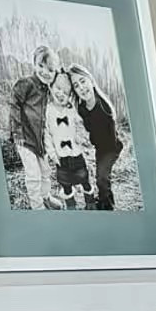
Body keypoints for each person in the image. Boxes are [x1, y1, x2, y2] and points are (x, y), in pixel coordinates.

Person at [7, 44, 59, 210]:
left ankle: (46, 197)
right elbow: (14, 104)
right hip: (24, 137)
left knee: (45, 171)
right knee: (33, 174)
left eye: (50, 70)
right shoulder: (26, 83)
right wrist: (16, 133)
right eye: (40, 66)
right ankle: (37, 207)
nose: (45, 72)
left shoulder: (48, 90)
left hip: (39, 140)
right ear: (34, 65)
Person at [69, 63, 122, 211]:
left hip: (111, 148)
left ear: (91, 80)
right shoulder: (82, 108)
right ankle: (103, 200)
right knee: (100, 178)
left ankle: (109, 206)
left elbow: (110, 140)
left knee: (102, 177)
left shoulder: (104, 108)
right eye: (76, 86)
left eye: (83, 81)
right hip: (100, 148)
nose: (81, 87)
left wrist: (105, 159)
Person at [44, 68, 94, 208]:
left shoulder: (72, 109)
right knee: (65, 182)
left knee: (84, 178)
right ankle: (71, 206)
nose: (61, 93)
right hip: (60, 157)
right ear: (51, 87)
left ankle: (90, 203)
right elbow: (46, 135)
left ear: (70, 95)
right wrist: (53, 155)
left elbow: (81, 127)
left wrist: (81, 137)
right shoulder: (48, 111)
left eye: (66, 92)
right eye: (58, 88)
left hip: (76, 153)